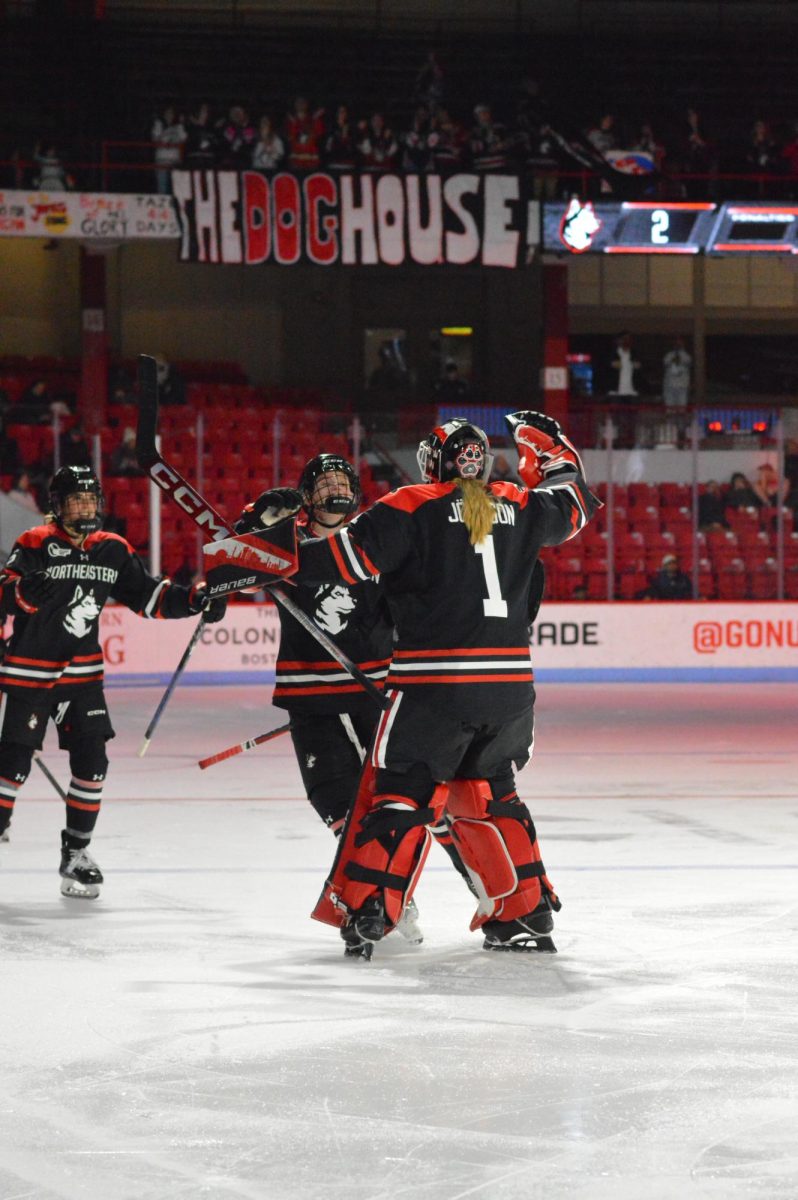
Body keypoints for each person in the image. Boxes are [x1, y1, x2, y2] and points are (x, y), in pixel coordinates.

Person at [283, 413, 598, 958]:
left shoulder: (411, 504)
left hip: (433, 686)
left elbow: (334, 563)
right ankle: (525, 911)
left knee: (401, 793)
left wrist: (255, 552)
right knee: (494, 792)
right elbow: (576, 500)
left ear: (433, 463)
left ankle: (372, 909)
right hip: (510, 690)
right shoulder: (520, 502)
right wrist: (556, 451)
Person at [0, 464, 226, 898]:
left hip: (83, 676)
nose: (84, 507)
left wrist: (196, 599)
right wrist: (24, 594)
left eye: (90, 499)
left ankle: (76, 853)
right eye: (75, 500)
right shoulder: (33, 543)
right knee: (10, 767)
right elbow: (5, 592)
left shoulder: (113, 550)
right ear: (57, 505)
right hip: (29, 673)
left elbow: (151, 598)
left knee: (93, 765)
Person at [233, 454, 426, 942]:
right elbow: (230, 563)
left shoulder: (375, 538)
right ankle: (376, 889)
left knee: (395, 797)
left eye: (342, 480)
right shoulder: (287, 542)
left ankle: (389, 887)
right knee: (335, 802)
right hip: (310, 692)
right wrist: (256, 518)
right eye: (323, 483)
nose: (333, 489)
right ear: (305, 496)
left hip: (374, 690)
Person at [662, 337, 692, 408]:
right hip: (670, 385)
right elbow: (665, 364)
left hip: (682, 386)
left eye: (680, 343)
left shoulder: (687, 356)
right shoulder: (668, 355)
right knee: (670, 408)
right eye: (676, 343)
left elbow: (689, 364)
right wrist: (673, 360)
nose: (678, 345)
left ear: (683, 345)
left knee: (682, 407)